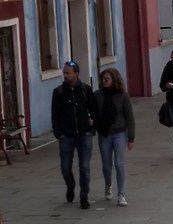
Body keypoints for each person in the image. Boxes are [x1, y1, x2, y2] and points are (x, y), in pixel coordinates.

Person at [51, 61, 98, 207]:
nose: (65, 75)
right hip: (67, 135)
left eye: (68, 73)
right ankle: (70, 184)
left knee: (84, 166)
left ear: (76, 74)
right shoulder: (58, 92)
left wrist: (92, 129)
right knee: (65, 167)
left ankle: (84, 196)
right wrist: (59, 134)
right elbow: (55, 115)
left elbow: (95, 110)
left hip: (84, 134)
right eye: (64, 72)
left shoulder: (85, 90)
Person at [94, 66, 136, 206]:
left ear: (114, 80)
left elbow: (129, 117)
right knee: (106, 165)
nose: (104, 81)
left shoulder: (122, 95)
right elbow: (94, 113)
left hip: (119, 132)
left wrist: (131, 138)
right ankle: (108, 185)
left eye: (107, 79)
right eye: (102, 79)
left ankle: (121, 194)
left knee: (119, 163)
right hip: (104, 133)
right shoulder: (98, 95)